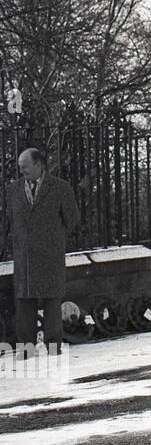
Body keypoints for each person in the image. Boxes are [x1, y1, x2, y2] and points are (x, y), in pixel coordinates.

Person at [0, 147, 79, 353]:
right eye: (20, 167)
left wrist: (53, 238)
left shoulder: (60, 188)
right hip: (24, 256)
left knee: (52, 301)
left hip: (50, 255)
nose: (22, 171)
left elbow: (72, 219)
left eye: (25, 167)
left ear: (38, 164)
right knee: (24, 302)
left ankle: (54, 347)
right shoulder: (12, 190)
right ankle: (26, 348)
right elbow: (6, 223)